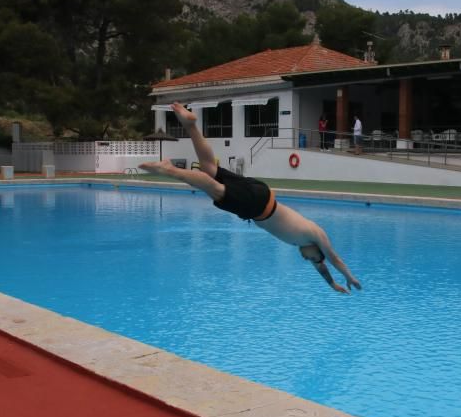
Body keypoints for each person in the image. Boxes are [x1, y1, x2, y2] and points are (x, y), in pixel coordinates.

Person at [141, 103, 362, 294]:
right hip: (258, 207)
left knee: (210, 168)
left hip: (260, 193)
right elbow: (334, 259)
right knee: (216, 190)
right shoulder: (315, 234)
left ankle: (190, 124)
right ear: (318, 251)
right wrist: (349, 277)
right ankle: (170, 170)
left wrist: (333, 284)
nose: (308, 260)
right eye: (313, 258)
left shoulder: (305, 243)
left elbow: (323, 267)